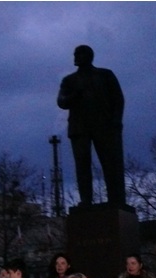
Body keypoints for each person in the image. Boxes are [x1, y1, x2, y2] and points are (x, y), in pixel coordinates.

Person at [57, 44, 125, 206]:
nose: (75, 58)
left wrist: (116, 120)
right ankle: (86, 200)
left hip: (104, 126)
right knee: (82, 164)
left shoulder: (105, 75)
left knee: (109, 163)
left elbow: (118, 99)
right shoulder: (69, 80)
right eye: (75, 55)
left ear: (88, 56)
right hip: (79, 128)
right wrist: (74, 96)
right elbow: (61, 102)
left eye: (79, 54)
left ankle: (115, 198)